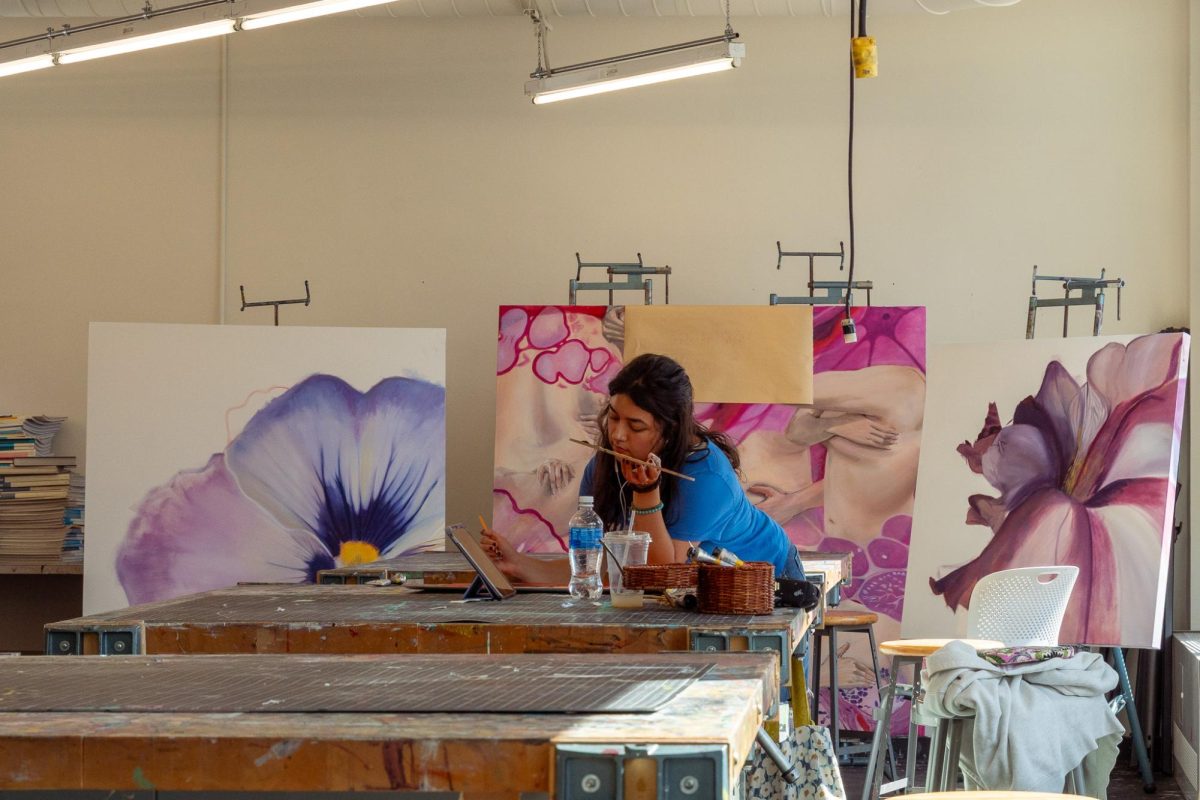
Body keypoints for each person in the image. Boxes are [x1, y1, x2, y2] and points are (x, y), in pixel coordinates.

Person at [482, 353, 807, 584]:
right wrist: (520, 564)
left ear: (670, 429)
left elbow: (660, 571)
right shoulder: (602, 467)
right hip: (697, 588)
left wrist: (646, 495)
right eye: (614, 417)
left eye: (635, 426)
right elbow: (599, 568)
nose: (618, 435)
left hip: (766, 576)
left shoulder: (706, 476)